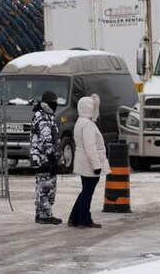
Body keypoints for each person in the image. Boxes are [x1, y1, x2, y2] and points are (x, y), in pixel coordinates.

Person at [68, 94, 110, 228]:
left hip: (83, 161)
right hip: (89, 163)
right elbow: (90, 147)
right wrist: (97, 165)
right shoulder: (88, 125)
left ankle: (74, 218)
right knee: (87, 192)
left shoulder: (80, 122)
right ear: (90, 108)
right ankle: (84, 219)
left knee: (85, 191)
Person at [30, 91, 63, 225]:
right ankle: (46, 216)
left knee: (43, 187)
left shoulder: (45, 115)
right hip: (45, 159)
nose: (55, 105)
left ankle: (41, 214)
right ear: (48, 103)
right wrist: (52, 157)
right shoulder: (43, 117)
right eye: (54, 102)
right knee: (46, 188)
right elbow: (46, 140)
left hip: (42, 159)